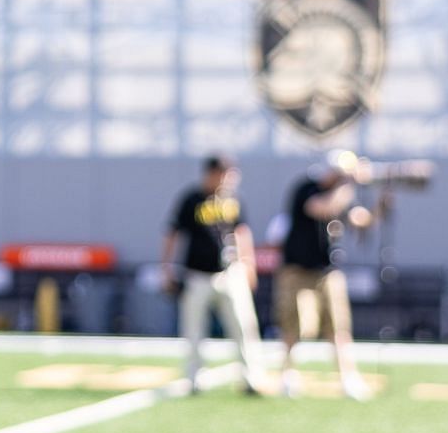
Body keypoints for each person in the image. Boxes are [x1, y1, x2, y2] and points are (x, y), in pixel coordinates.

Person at [160, 154, 269, 395]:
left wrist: (248, 263)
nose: (228, 179)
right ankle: (194, 378)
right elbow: (173, 232)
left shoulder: (233, 199)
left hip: (230, 272)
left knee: (244, 326)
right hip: (197, 275)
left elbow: (241, 232)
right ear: (211, 173)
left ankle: (251, 377)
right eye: (224, 173)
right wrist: (166, 267)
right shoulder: (192, 199)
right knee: (194, 329)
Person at [274, 149, 373, 400]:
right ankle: (287, 375)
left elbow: (360, 220)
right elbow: (323, 208)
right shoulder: (306, 188)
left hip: (326, 270)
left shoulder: (341, 194)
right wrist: (350, 184)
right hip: (296, 269)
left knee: (338, 327)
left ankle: (347, 377)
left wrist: (381, 202)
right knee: (291, 325)